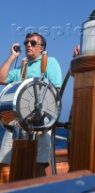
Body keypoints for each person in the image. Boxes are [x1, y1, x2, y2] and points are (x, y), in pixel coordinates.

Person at [0, 32, 62, 178]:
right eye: (26, 42)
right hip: (17, 121)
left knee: (40, 161)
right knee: (4, 160)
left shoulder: (50, 62)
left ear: (42, 48)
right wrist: (13, 57)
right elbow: (2, 79)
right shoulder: (21, 68)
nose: (28, 45)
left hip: (41, 120)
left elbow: (56, 90)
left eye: (33, 43)